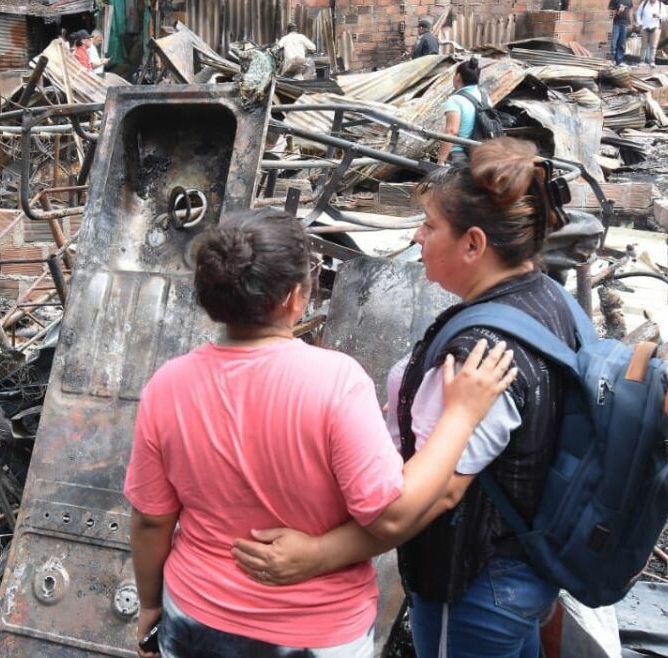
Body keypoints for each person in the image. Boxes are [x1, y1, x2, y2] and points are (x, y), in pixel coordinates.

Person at [232, 138, 579, 658]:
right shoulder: (549, 298)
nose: (417, 236)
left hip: (473, 585)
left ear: (473, 244)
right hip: (523, 565)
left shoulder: (477, 359)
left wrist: (318, 555)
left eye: (430, 225)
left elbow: (426, 499)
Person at [126, 208, 517, 658]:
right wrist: (460, 417)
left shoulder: (167, 385)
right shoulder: (335, 381)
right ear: (295, 297)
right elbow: (390, 516)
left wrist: (151, 605)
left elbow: (152, 520)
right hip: (312, 633)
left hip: (195, 618)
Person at [439, 58, 489, 167]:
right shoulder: (485, 97)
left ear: (458, 77)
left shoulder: (455, 100)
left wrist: (441, 161)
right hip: (482, 154)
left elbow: (452, 131)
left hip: (460, 155)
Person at [635, 0, 663, 68]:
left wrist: (658, 15)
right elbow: (638, 13)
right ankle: (642, 61)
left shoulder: (660, 4)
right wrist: (640, 22)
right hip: (645, 27)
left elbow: (664, 16)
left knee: (653, 46)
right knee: (643, 45)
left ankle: (652, 61)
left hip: (655, 27)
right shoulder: (644, 3)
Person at [609, 0, 633, 65]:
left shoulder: (629, 1)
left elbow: (630, 12)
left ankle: (619, 61)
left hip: (625, 24)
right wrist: (618, 11)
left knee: (622, 43)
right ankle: (612, 60)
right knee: (614, 43)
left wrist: (631, 23)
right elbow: (611, 14)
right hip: (616, 23)